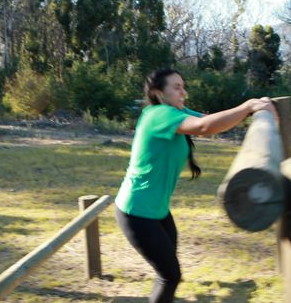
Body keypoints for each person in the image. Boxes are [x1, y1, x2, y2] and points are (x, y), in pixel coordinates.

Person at [114, 68, 277, 302]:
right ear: (158, 93)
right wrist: (248, 107)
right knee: (170, 276)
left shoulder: (175, 112)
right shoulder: (158, 114)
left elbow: (208, 123)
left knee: (169, 271)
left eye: (183, 86)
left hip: (157, 211)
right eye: (177, 87)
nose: (184, 92)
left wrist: (252, 110)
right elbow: (203, 128)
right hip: (136, 211)